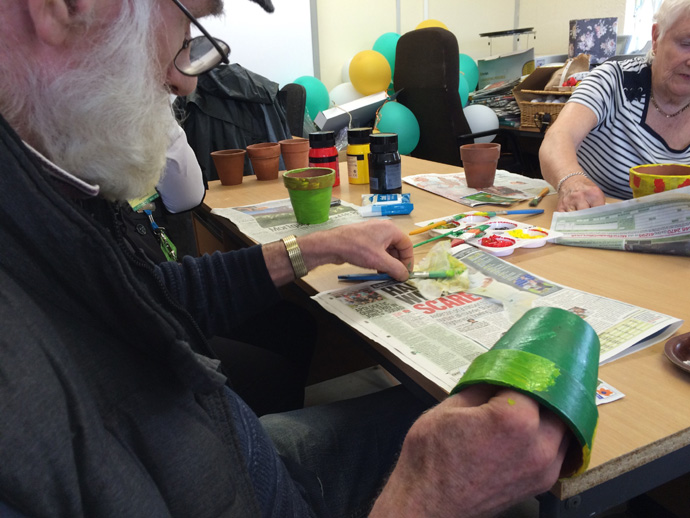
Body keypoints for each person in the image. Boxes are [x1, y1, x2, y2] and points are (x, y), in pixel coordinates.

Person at [0, 1, 569, 517]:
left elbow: (155, 297)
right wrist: (420, 502)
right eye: (184, 28)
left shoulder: (46, 192)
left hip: (224, 460)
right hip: (231, 477)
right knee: (512, 488)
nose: (184, 81)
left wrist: (317, 247)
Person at [539, 0, 690, 212]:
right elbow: (559, 136)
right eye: (686, 44)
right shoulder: (613, 81)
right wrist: (572, 182)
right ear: (656, 38)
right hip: (596, 226)